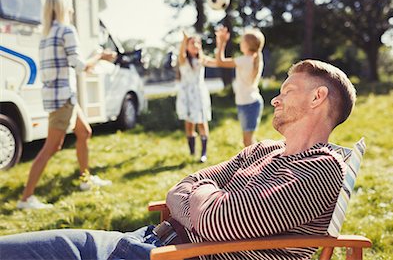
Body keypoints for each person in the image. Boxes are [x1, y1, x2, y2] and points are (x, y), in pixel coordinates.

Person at [0, 59, 357, 260]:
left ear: (317, 98)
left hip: (170, 257)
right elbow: (180, 187)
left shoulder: (321, 168)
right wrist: (203, 197)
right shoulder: (262, 149)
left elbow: (222, 222)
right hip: (144, 241)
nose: (276, 100)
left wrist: (202, 198)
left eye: (287, 91)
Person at [17, 0, 115, 210]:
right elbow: (79, 66)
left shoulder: (45, 36)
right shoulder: (66, 30)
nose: (72, 10)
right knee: (51, 147)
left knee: (84, 132)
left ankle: (85, 180)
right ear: (64, 8)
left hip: (58, 96)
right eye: (70, 7)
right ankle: (25, 199)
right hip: (64, 98)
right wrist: (100, 55)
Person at [214, 26, 265, 147]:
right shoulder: (253, 59)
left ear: (247, 45)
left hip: (249, 104)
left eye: (242, 41)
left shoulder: (245, 60)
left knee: (248, 142)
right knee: (248, 141)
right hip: (248, 103)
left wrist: (221, 42)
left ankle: (258, 163)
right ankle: (257, 162)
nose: (240, 43)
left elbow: (220, 62)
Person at [176, 32, 217, 163]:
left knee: (202, 122)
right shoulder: (183, 60)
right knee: (189, 124)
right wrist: (184, 40)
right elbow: (181, 54)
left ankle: (203, 153)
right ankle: (192, 151)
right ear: (186, 46)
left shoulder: (202, 60)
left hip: (199, 95)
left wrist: (220, 44)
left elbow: (217, 62)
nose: (195, 45)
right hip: (187, 95)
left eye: (198, 43)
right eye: (192, 43)